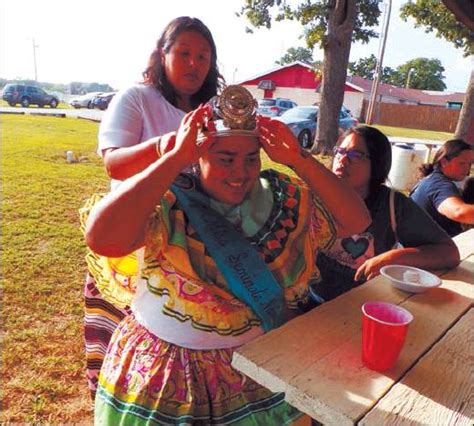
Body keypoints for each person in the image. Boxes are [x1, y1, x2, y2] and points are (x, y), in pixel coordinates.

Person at [84, 85, 371, 424]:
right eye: (225, 158)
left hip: (254, 372)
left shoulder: (282, 197)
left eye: (251, 158)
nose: (240, 172)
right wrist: (173, 157)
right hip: (166, 378)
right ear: (199, 155)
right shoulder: (168, 200)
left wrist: (298, 158)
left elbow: (357, 219)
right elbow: (101, 237)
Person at [82, 16, 225, 399]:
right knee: (125, 337)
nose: (194, 63)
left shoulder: (214, 111)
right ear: (161, 55)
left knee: (174, 346)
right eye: (183, 53)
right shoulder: (136, 98)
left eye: (203, 56)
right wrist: (169, 148)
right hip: (135, 240)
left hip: (191, 246)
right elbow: (114, 162)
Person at [310, 125, 460, 304]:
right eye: (340, 152)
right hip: (306, 305)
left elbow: (450, 253)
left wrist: (393, 257)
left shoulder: (392, 205)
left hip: (364, 308)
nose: (342, 160)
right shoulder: (312, 194)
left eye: (356, 155)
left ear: (377, 163)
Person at [410, 139, 474, 237]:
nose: (467, 169)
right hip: (427, 248)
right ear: (444, 162)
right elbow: (459, 212)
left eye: (470, 164)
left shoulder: (431, 179)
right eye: (462, 163)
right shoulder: (440, 185)